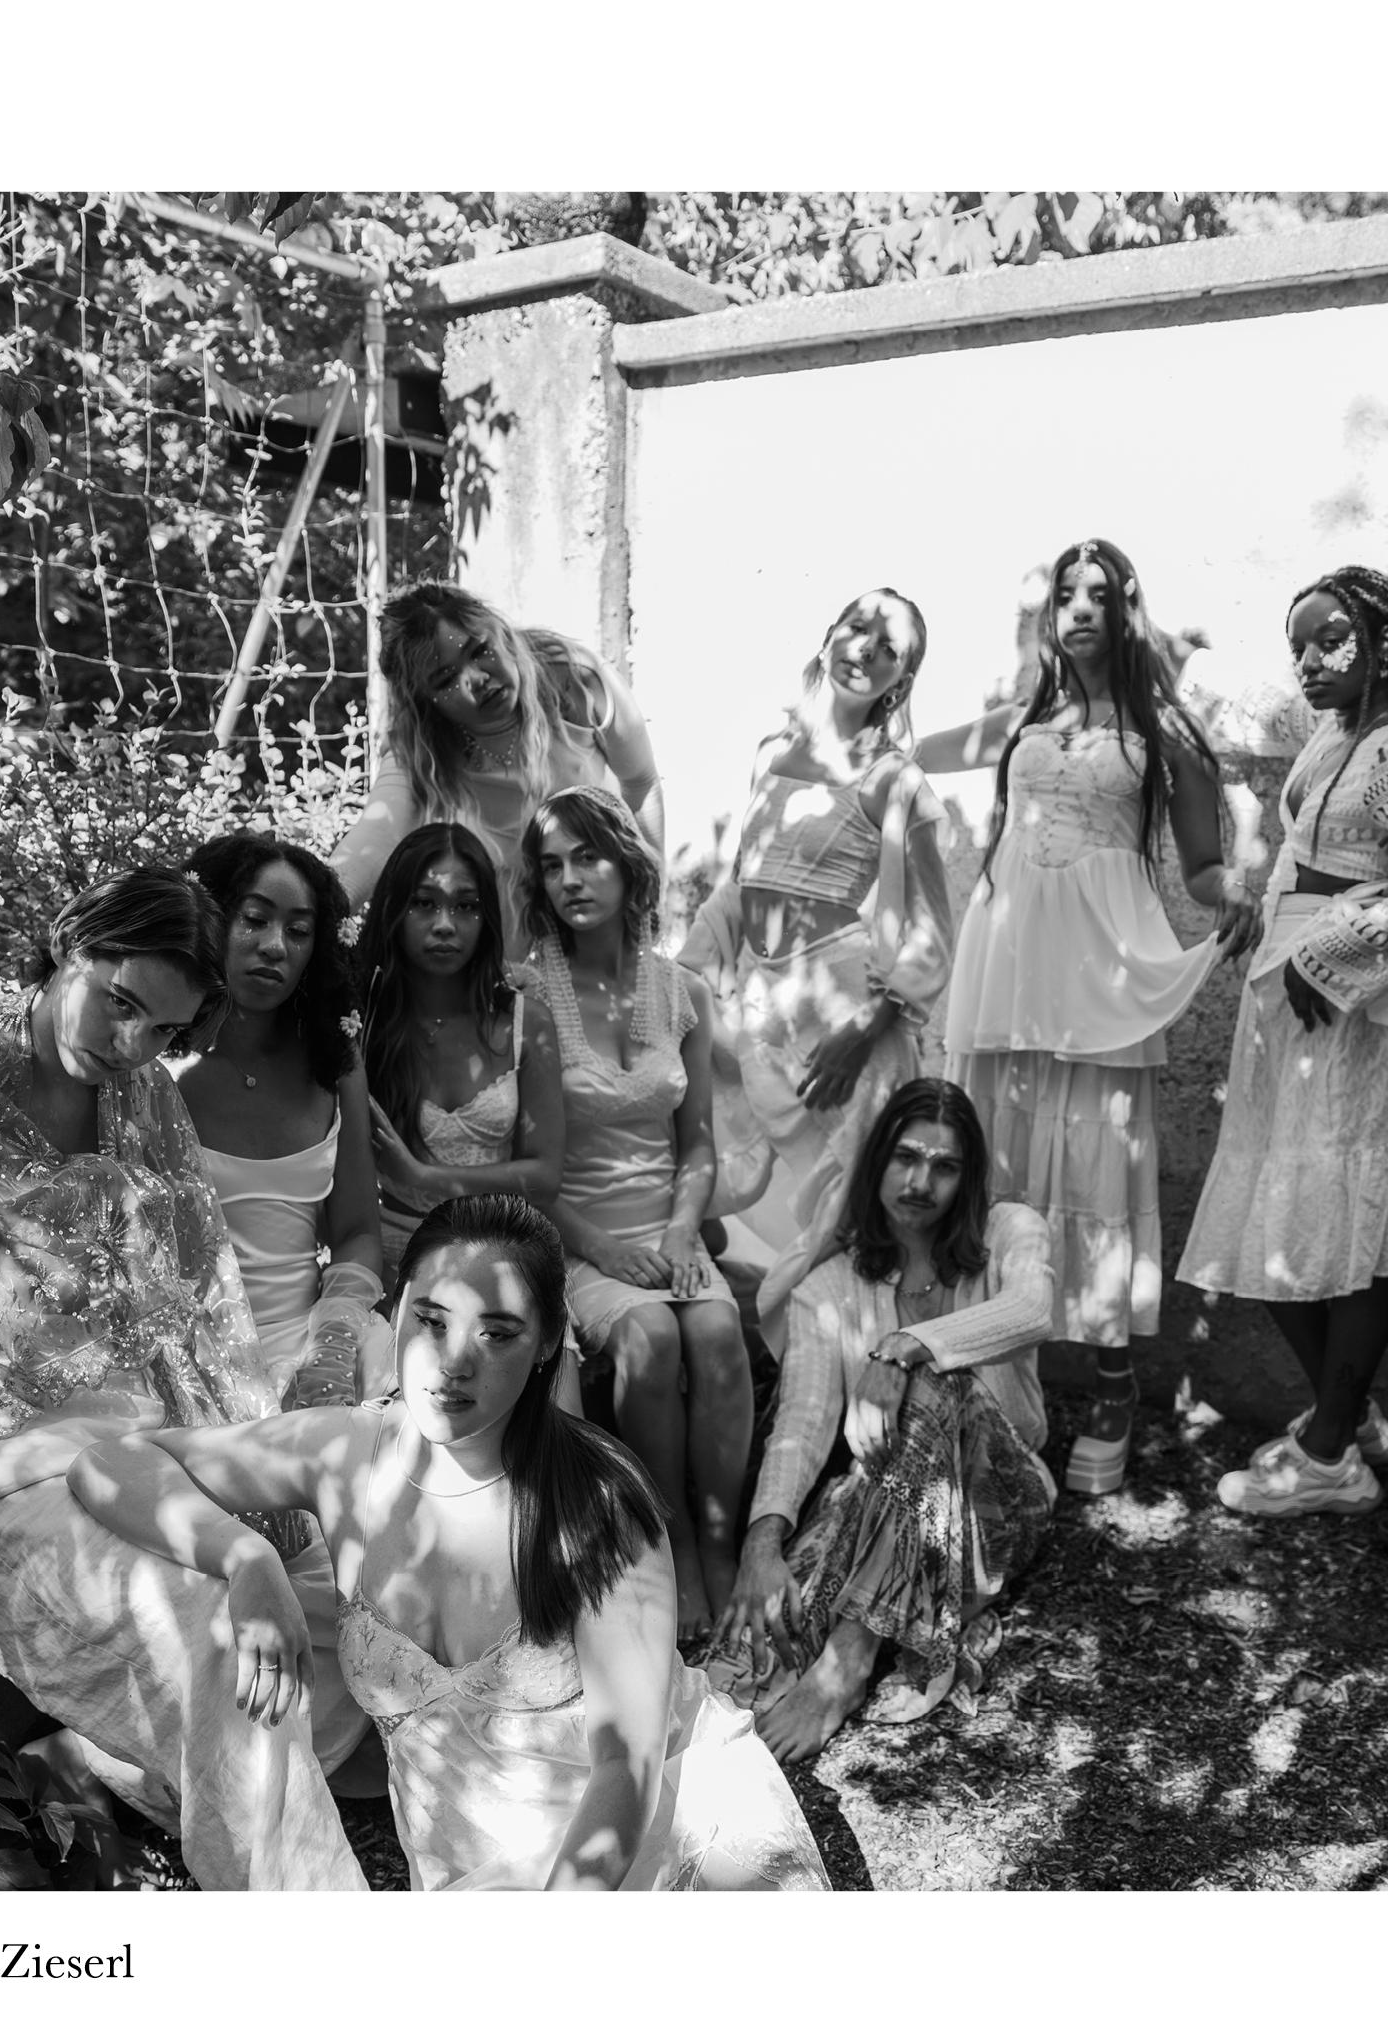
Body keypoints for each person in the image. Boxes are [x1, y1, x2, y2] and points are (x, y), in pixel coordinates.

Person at [0, 866, 368, 1891]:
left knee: (340, 1593)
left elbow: (194, 1302)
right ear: (69, 942)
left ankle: (105, 1765)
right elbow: (28, 1332)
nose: (127, 1043)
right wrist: (217, 1520)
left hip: (123, 1416)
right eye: (118, 1002)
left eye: (160, 1030)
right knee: (209, 1619)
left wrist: (249, 1458)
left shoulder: (144, 1094)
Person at [65, 1196, 829, 1891]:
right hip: (468, 1862)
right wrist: (245, 1559)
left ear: (546, 1344)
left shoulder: (598, 1505)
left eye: (496, 1333)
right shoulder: (343, 1453)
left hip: (645, 1839)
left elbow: (622, 1775)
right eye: (430, 1319)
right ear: (394, 1312)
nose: (454, 1360)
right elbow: (109, 1463)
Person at [939, 536, 1254, 1495]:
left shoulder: (1165, 730)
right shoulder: (1022, 722)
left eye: (1100, 595)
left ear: (1127, 614)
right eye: (1065, 594)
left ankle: (1115, 1392)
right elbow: (908, 752)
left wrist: (1232, 889)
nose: (1079, 608)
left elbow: (1200, 865)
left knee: (1097, 1169)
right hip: (1007, 963)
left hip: (1101, 970)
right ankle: (992, 1380)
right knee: (996, 1164)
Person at [1179, 564, 1388, 1516]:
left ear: (1382, 646)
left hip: (1353, 1021)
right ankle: (1345, 1416)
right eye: (1298, 648)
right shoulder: (1336, 735)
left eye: (1330, 641)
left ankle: (1325, 1460)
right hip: (1294, 1021)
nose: (1309, 662)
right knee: (1280, 1228)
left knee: (1343, 1234)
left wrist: (1329, 955)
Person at [713, 1079, 1056, 1766]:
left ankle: (847, 1665)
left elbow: (1032, 1310)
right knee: (756, 1648)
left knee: (934, 1382)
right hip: (887, 1500)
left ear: (968, 1177)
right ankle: (854, 1632)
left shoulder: (1009, 1231)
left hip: (1000, 1498)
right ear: (876, 1161)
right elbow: (803, 1423)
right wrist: (761, 1544)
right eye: (906, 1157)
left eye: (944, 1166)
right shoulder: (828, 1286)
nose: (920, 1182)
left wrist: (904, 1348)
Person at [681, 586, 954, 1326]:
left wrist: (867, 1025)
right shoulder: (771, 754)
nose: (866, 648)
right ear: (829, 633)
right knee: (732, 1167)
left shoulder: (895, 780)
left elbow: (933, 924)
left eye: (889, 647)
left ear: (901, 679)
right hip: (764, 1008)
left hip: (845, 1019)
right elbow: (744, 882)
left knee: (857, 1212)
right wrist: (687, 971)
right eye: (857, 627)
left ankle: (873, 1369)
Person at [525, 785, 751, 1637]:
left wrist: (682, 1232)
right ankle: (671, 1539)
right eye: (552, 865)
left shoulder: (682, 991)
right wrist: (605, 1252)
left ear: (627, 865)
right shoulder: (530, 994)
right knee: (651, 1335)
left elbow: (698, 1143)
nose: (570, 880)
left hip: (670, 1227)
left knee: (718, 1331)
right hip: (578, 1234)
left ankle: (722, 1542)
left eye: (587, 857)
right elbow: (531, 1169)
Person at [178, 833, 392, 1411]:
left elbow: (357, 1233)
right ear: (209, 919)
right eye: (254, 920)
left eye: (298, 931)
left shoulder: (334, 1062)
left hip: (309, 1344)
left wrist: (335, 1342)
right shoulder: (152, 1061)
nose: (275, 946)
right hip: (183, 1355)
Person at [330, 580, 664, 923]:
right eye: (446, 680)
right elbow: (377, 836)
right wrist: (318, 908)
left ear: (499, 630)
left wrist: (652, 897)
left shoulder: (574, 680)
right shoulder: (419, 740)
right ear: (426, 702)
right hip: (502, 924)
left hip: (592, 911)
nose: (475, 679)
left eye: (479, 650)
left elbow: (641, 783)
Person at [353, 820, 567, 1274]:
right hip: (388, 1253)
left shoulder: (526, 1022)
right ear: (394, 908)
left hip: (499, 1256)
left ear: (486, 917)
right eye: (424, 903)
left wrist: (423, 1176)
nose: (445, 925)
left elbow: (545, 1177)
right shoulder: (364, 1022)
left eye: (466, 906)